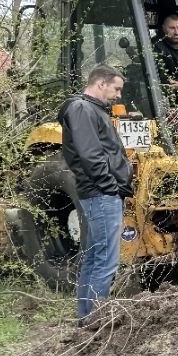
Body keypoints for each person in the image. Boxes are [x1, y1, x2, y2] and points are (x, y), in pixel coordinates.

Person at [58, 65, 134, 321]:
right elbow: (90, 155)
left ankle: (86, 318)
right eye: (116, 89)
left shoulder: (90, 109)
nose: (118, 95)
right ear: (101, 83)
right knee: (106, 262)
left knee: (94, 259)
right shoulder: (82, 109)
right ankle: (96, 321)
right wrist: (110, 187)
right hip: (101, 195)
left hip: (100, 193)